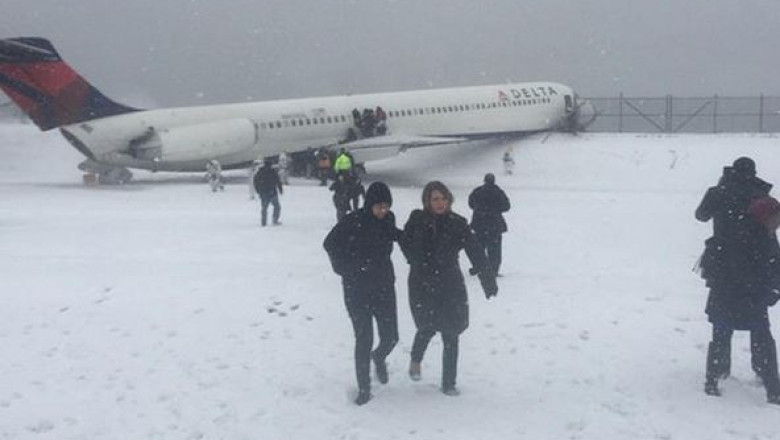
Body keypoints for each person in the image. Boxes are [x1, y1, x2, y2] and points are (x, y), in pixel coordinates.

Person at [400, 181, 498, 396]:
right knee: (427, 327)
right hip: (423, 283)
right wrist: (415, 259)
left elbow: (475, 251)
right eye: (435, 199)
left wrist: (487, 279)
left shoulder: (458, 223)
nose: (440, 203)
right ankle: (416, 359)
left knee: (452, 331)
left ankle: (449, 382)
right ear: (427, 201)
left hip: (450, 283)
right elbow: (404, 242)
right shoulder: (417, 220)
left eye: (444, 198)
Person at [695, 157, 780, 403]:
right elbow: (771, 236)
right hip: (757, 269)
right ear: (753, 173)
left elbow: (701, 215)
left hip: (724, 267)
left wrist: (721, 187)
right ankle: (771, 384)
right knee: (760, 328)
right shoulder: (762, 197)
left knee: (721, 324)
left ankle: (715, 376)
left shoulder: (719, 192)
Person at [323, 182, 401, 405]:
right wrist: (346, 268)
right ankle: (364, 389)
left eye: (386, 206)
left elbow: (393, 234)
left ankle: (379, 357)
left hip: (384, 286)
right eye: (379, 206)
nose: (383, 210)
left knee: (391, 337)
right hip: (356, 290)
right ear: (369, 204)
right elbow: (329, 244)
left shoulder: (388, 219)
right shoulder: (352, 221)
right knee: (364, 338)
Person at [468, 173, 511, 276]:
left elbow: (470, 203)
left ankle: (478, 267)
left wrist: (480, 210)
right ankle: (493, 270)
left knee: (479, 248)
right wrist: (495, 209)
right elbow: (506, 206)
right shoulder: (498, 192)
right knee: (494, 250)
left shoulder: (478, 191)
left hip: (479, 224)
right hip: (494, 225)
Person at [253, 158, 283, 226]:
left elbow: (255, 181)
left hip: (263, 192)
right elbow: (278, 181)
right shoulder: (273, 171)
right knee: (277, 206)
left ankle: (263, 222)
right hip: (272, 192)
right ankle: (275, 220)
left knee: (264, 208)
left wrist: (258, 191)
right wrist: (280, 189)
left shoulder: (260, 172)